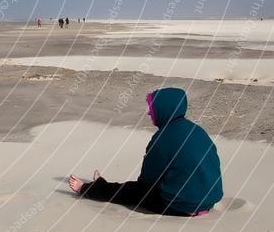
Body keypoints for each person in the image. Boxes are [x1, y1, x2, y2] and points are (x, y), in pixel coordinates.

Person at [67, 87, 223, 216]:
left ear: (164, 110)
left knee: (130, 191)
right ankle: (101, 184)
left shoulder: (163, 137)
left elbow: (147, 180)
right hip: (209, 201)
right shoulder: (197, 130)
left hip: (182, 205)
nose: (149, 113)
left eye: (152, 109)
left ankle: (87, 189)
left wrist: (140, 190)